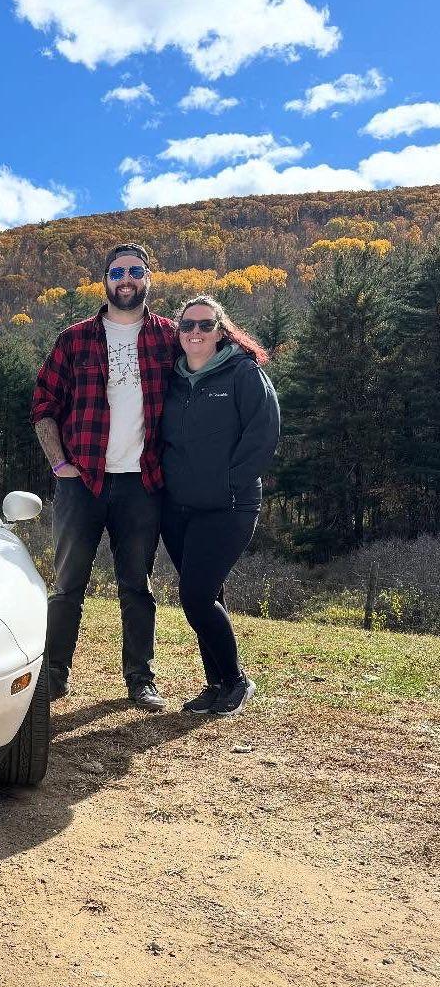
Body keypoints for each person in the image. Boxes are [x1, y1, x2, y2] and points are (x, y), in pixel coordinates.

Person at [31, 244, 177, 710]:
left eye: (135, 271)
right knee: (67, 584)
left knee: (137, 586)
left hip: (142, 483)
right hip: (82, 482)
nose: (126, 279)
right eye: (117, 272)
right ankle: (53, 676)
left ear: (148, 278)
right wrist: (59, 464)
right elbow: (43, 405)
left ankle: (141, 679)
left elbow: (210, 355)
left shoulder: (169, 337)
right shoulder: (74, 339)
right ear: (106, 281)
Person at [159, 295, 281, 717]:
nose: (195, 332)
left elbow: (264, 432)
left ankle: (236, 680)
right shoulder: (172, 378)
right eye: (187, 325)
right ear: (178, 332)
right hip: (178, 508)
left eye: (205, 325)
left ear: (220, 331)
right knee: (208, 595)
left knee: (195, 597)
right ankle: (215, 685)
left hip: (229, 506)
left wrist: (229, 482)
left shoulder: (242, 372)